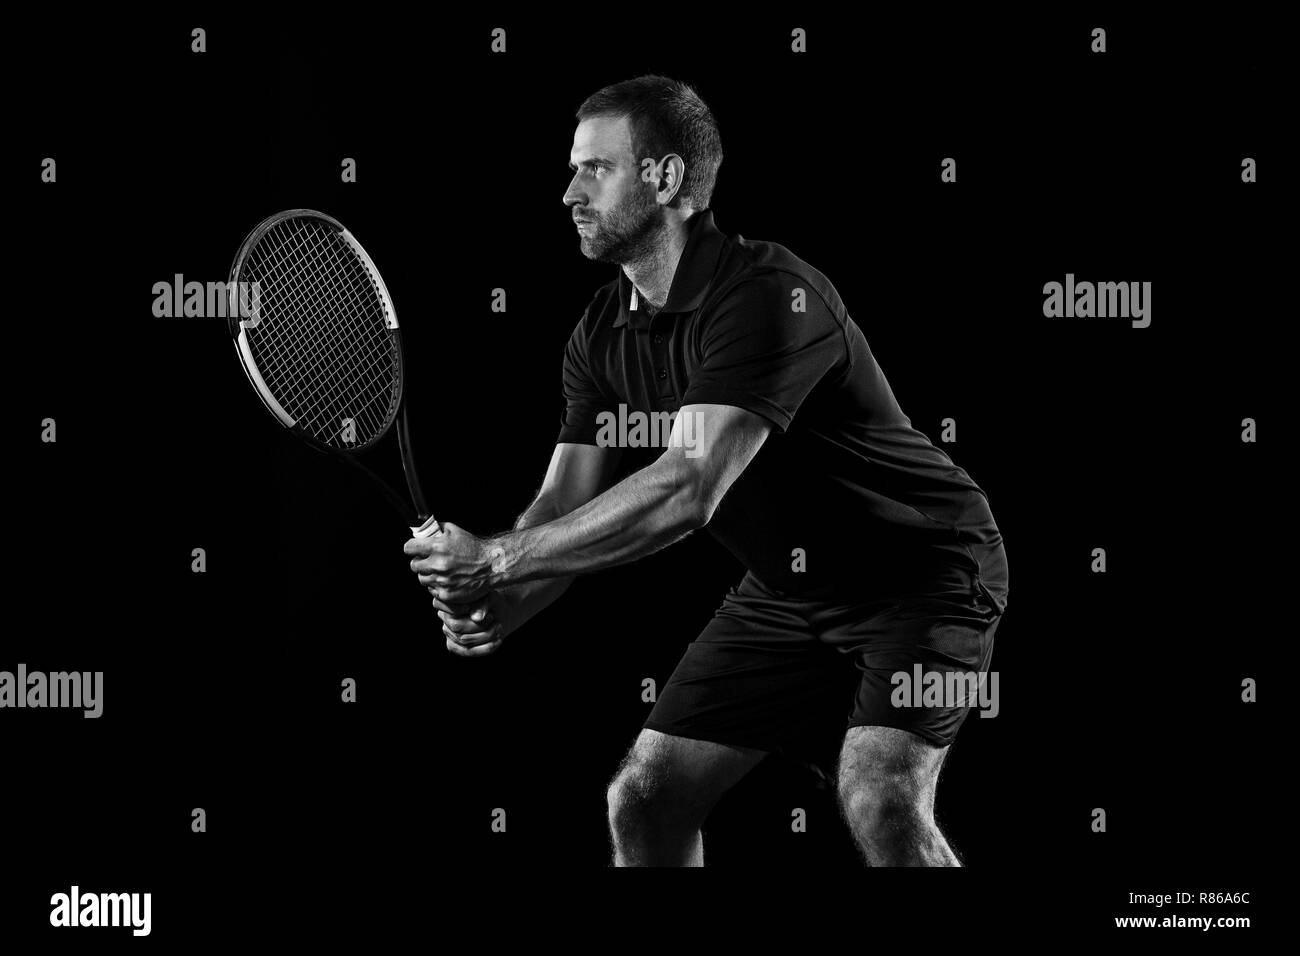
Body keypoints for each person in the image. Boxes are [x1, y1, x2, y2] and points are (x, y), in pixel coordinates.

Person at [405, 75, 1008, 867]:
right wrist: (505, 601)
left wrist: (495, 560)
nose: (569, 193)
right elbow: (561, 502)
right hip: (790, 589)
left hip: (923, 572)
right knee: (646, 799)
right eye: (572, 168)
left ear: (664, 178)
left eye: (596, 169)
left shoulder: (768, 297)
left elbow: (690, 487)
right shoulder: (601, 331)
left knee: (881, 799)